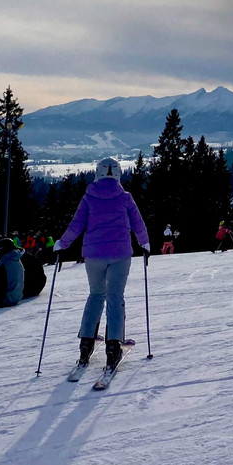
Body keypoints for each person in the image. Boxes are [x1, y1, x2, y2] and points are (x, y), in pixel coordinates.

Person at [53, 157, 150, 372]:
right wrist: (145, 243)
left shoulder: (89, 198)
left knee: (96, 295)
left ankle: (86, 344)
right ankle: (113, 346)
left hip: (93, 255)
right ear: (118, 174)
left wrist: (62, 244)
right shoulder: (125, 198)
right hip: (120, 254)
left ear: (97, 173)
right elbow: (138, 223)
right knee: (115, 297)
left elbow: (76, 225)